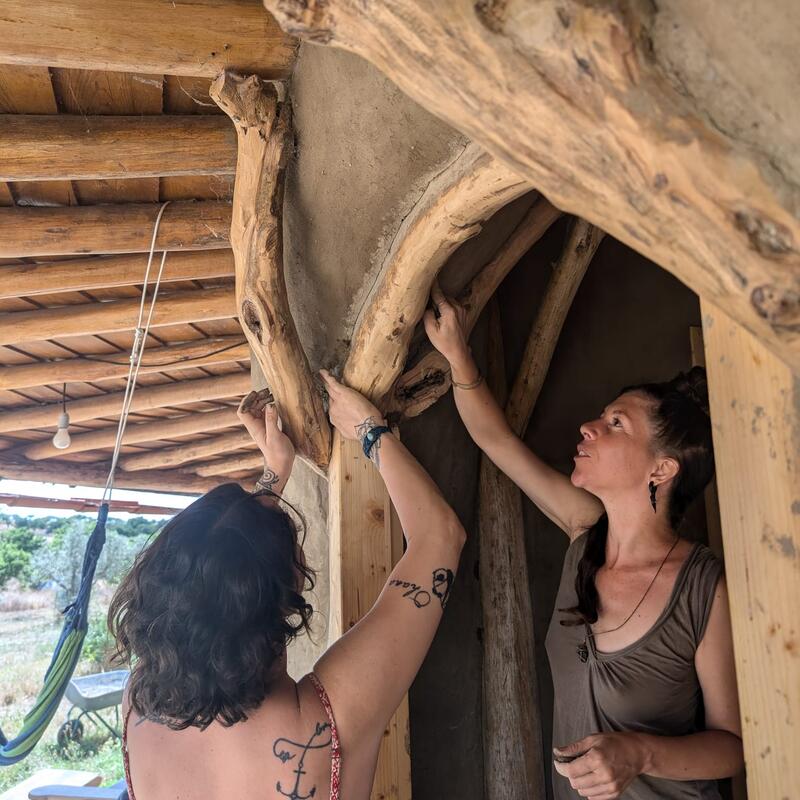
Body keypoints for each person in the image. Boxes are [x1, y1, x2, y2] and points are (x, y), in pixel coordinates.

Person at [424, 284, 743, 800]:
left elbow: (731, 746)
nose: (590, 427)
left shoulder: (703, 587)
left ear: (662, 470)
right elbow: (495, 440)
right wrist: (457, 354)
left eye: (616, 423)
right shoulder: (584, 536)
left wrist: (641, 753)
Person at [108, 376, 466, 800]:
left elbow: (215, 576)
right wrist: (368, 430)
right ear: (288, 590)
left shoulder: (139, 700)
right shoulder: (331, 714)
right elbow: (439, 536)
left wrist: (275, 471)